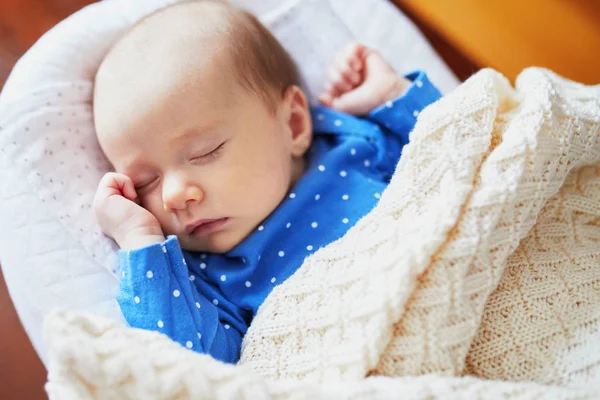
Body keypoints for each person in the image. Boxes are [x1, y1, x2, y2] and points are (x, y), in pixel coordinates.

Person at [92, 0, 441, 363]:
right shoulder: (206, 280)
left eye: (204, 152)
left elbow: (456, 149)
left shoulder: (350, 146)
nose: (174, 196)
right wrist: (139, 240)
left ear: (293, 124)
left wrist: (390, 95)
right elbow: (189, 366)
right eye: (145, 182)